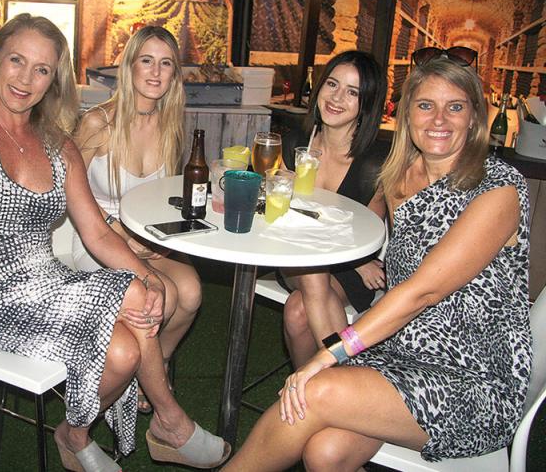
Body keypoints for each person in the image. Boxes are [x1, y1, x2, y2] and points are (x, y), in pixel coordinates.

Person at [0, 14, 229, 471]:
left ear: (54, 80)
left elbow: (97, 232)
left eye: (42, 70)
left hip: (45, 279)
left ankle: (73, 434)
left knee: (127, 347)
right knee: (135, 301)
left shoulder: (58, 146)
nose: (25, 79)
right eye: (16, 61)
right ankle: (170, 422)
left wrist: (149, 276)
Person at [222, 55, 531, 471]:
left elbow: (422, 291)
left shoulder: (498, 188)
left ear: (474, 117)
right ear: (407, 115)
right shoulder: (400, 177)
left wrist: (329, 354)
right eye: (425, 105)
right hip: (400, 352)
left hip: (473, 378)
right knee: (326, 452)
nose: (439, 119)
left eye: (455, 106)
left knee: (316, 389)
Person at [72, 25, 201, 414]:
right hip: (95, 234)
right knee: (167, 295)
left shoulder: (169, 124)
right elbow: (67, 190)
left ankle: (155, 366)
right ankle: (153, 385)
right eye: (147, 60)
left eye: (166, 63)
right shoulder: (98, 123)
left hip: (144, 235)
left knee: (191, 292)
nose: (156, 72)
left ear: (175, 74)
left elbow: (161, 197)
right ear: (129, 67)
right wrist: (119, 232)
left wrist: (154, 239)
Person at [277, 50, 388, 368]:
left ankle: (308, 386)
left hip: (348, 264)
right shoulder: (295, 143)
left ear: (366, 103)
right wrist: (280, 188)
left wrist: (358, 262)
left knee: (298, 311)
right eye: (332, 84)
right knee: (312, 269)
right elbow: (275, 216)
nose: (337, 98)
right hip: (295, 255)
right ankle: (345, 375)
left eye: (352, 92)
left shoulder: (375, 163)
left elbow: (368, 232)